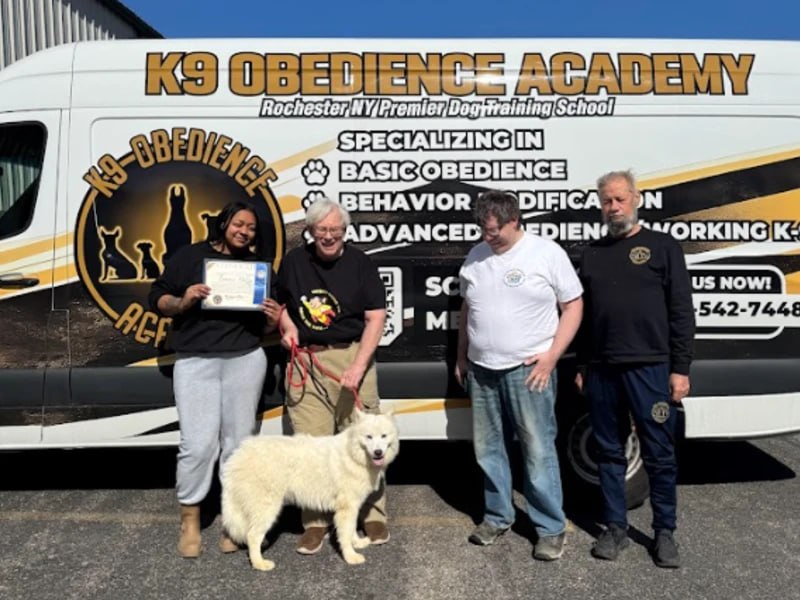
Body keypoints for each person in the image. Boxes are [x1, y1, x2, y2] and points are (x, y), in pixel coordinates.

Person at [576, 170, 694, 569]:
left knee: (659, 454)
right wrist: (582, 364)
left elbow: (681, 311)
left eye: (620, 199)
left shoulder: (662, 247)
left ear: (636, 199)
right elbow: (586, 317)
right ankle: (615, 529)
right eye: (607, 201)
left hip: (651, 370)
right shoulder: (592, 252)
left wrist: (680, 369)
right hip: (603, 372)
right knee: (609, 453)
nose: (613, 208)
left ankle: (665, 533)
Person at [456, 190, 583, 561]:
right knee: (488, 449)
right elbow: (468, 307)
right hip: (482, 371)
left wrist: (551, 357)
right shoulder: (476, 256)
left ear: (514, 221)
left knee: (538, 449)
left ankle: (550, 528)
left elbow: (573, 305)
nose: (486, 236)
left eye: (493, 229)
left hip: (529, 371)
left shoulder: (546, 253)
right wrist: (462, 355)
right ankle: (498, 516)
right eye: (482, 228)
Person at [149, 200, 280, 558]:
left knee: (238, 444)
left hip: (245, 359)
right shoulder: (190, 257)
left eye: (251, 228)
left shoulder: (258, 267)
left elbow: (268, 324)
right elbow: (156, 297)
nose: (245, 232)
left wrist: (272, 317)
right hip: (196, 362)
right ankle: (189, 519)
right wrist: (183, 301)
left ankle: (232, 520)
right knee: (198, 444)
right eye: (239, 224)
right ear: (224, 224)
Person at [275, 197, 389, 555]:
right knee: (312, 447)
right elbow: (279, 305)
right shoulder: (294, 263)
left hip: (353, 355)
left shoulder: (360, 263)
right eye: (321, 230)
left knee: (367, 443)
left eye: (335, 230)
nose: (328, 236)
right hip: (307, 360)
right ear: (310, 231)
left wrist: (358, 366)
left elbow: (376, 317)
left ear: (345, 230)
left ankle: (373, 512)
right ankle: (315, 522)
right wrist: (287, 326)